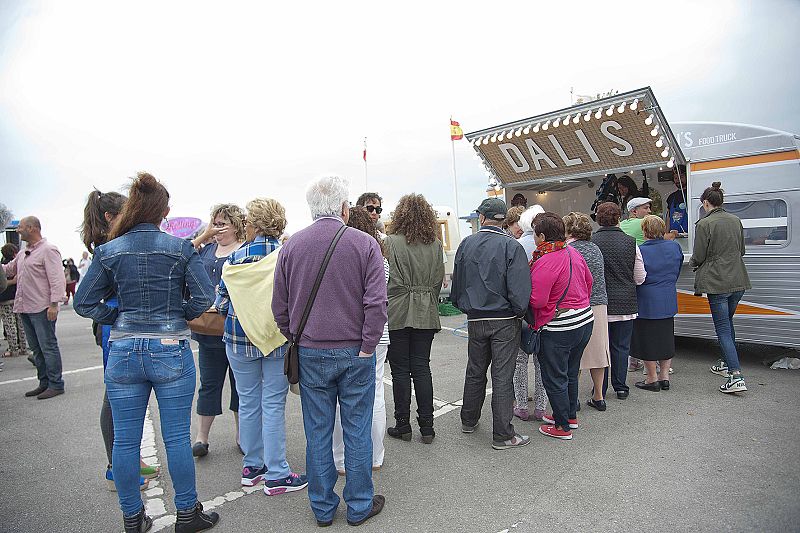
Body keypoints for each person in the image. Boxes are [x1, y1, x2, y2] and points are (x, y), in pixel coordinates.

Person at [74, 173, 219, 533]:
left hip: (123, 348)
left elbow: (83, 301)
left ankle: (132, 518)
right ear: (163, 211)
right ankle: (187, 513)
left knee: (125, 440)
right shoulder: (180, 248)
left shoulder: (108, 250)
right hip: (170, 347)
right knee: (175, 437)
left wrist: (117, 316)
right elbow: (204, 298)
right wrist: (179, 314)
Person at [272, 176, 387, 527]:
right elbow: (376, 304)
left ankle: (322, 507)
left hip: (310, 351)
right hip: (356, 352)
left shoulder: (292, 246)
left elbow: (280, 305)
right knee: (356, 428)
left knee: (317, 432)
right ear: (344, 208)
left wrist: (296, 336)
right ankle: (359, 504)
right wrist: (368, 346)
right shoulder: (365, 244)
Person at [214, 198, 307, 494]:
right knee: (273, 404)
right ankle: (277, 472)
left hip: (238, 338)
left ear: (250, 224)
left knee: (248, 401)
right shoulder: (286, 255)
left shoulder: (233, 260)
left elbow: (221, 303)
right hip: (276, 338)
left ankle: (253, 466)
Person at [80, 188, 157, 492]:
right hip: (115, 327)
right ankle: (116, 468)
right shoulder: (109, 247)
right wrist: (112, 316)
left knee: (120, 396)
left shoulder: (110, 242)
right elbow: (86, 299)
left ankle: (129, 461)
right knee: (115, 398)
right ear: (111, 217)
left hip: (117, 325)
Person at [451, 198, 532, 450]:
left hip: (476, 317)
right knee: (502, 375)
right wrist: (520, 313)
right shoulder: (511, 246)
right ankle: (503, 434)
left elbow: (457, 285)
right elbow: (520, 289)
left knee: (475, 370)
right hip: (505, 319)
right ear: (503, 220)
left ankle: (469, 419)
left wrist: (466, 306)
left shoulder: (467, 244)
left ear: (482, 217)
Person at [332, 206, 390, 473]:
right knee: (376, 391)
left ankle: (341, 459)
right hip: (379, 333)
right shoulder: (378, 255)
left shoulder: (341, 254)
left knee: (338, 398)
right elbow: (378, 298)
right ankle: (376, 456)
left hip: (346, 333)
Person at [383, 195, 444, 444]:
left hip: (397, 309)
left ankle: (403, 425)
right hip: (426, 310)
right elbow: (439, 279)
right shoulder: (436, 244)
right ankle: (427, 427)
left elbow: (385, 279)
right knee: (422, 367)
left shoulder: (390, 242)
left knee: (399, 371)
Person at [529, 213, 594, 440]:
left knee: (554, 376)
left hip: (560, 326)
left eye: (535, 233)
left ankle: (561, 426)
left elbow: (537, 300)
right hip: (585, 320)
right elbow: (589, 282)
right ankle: (568, 415)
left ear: (542, 235)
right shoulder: (573, 252)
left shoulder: (545, 260)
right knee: (570, 372)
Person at [189, 204, 245, 458]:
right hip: (208, 328)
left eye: (223, 223)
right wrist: (205, 235)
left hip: (235, 327)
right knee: (209, 383)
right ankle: (202, 437)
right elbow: (183, 254)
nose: (218, 229)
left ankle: (241, 433)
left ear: (236, 224)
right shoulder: (206, 249)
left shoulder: (244, 248)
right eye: (215, 223)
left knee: (239, 385)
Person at [690, 181, 752, 394]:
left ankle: (736, 375)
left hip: (717, 282)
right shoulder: (735, 220)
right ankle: (726, 363)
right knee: (728, 324)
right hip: (739, 280)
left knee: (723, 329)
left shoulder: (704, 224)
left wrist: (693, 264)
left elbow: (698, 255)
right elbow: (742, 250)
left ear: (706, 203)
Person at [3, 216, 66, 400]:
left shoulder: (48, 250)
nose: (17, 230)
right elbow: (8, 269)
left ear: (31, 228)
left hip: (42, 307)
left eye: (20, 227)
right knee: (36, 349)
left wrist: (54, 304)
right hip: (25, 307)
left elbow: (56, 279)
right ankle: (44, 382)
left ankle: (56, 384)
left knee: (48, 346)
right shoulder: (23, 253)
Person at [591, 202, 646, 400]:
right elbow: (640, 276)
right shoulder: (631, 242)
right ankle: (621, 387)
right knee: (621, 347)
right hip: (625, 301)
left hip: (599, 303)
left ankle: (599, 388)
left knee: (601, 347)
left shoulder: (592, 242)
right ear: (618, 219)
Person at [563, 212, 610, 411]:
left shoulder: (567, 250)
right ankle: (598, 396)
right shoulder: (595, 249)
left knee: (575, 354)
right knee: (598, 352)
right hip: (599, 303)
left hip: (578, 305)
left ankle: (573, 399)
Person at [632, 216, 683, 392]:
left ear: (645, 231)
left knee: (647, 339)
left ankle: (652, 377)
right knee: (666, 337)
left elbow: (637, 276)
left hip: (646, 298)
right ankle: (665, 376)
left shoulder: (640, 250)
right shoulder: (675, 246)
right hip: (668, 296)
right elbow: (677, 270)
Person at [512, 205, 547, 422]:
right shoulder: (547, 248)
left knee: (519, 360)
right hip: (542, 311)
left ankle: (522, 405)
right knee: (542, 360)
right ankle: (541, 406)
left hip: (521, 310)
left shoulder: (515, 246)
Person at [1, 244, 29, 358]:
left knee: (10, 325)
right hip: (18, 297)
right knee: (21, 324)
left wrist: (11, 282)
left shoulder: (4, 266)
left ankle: (13, 349)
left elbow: (2, 283)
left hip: (5, 299)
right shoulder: (18, 264)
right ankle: (23, 347)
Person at [665, 165, 689, 237]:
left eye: (681, 177)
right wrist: (666, 233)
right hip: (674, 235)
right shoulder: (671, 197)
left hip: (689, 234)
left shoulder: (691, 194)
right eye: (676, 178)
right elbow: (668, 217)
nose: (678, 180)